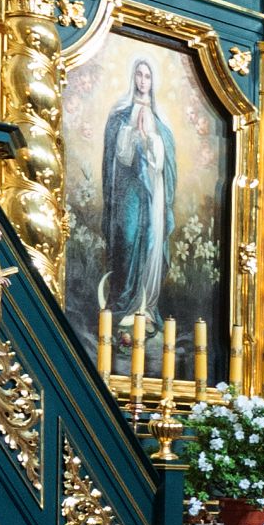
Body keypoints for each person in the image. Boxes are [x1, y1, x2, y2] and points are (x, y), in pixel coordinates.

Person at [101, 54, 180, 335]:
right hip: (129, 191)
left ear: (153, 81)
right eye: (139, 75)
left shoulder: (160, 119)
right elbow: (118, 158)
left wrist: (151, 140)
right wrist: (132, 134)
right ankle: (123, 305)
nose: (143, 81)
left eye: (147, 76)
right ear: (132, 77)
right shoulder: (121, 113)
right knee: (127, 238)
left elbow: (166, 162)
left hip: (153, 193)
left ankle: (145, 309)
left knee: (151, 242)